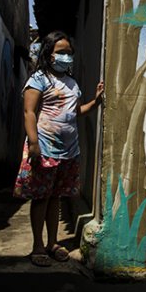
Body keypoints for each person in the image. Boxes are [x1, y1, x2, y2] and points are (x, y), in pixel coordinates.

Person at [14, 30, 104, 266]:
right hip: (44, 148)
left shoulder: (72, 83)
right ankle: (37, 246)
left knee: (56, 198)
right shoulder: (39, 79)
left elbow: (75, 113)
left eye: (69, 52)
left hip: (69, 151)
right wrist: (33, 143)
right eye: (60, 52)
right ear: (49, 54)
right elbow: (29, 112)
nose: (66, 56)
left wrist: (95, 102)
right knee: (41, 198)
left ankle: (53, 242)